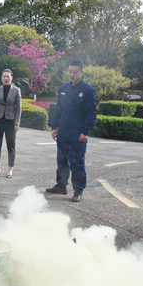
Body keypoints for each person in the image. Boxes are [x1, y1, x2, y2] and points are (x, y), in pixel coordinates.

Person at [46, 60, 97, 202]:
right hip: (63, 131)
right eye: (70, 71)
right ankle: (61, 185)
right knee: (61, 160)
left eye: (75, 71)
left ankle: (78, 190)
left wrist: (85, 132)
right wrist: (54, 127)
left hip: (78, 134)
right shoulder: (63, 88)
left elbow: (91, 113)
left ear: (81, 72)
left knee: (77, 162)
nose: (72, 74)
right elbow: (58, 110)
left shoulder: (87, 90)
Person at [0, 70, 21, 178]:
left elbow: (18, 108)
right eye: (4, 76)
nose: (6, 78)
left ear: (11, 78)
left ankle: (10, 169)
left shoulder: (16, 90)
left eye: (8, 76)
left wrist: (17, 123)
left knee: (10, 145)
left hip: (10, 121)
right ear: (1, 78)